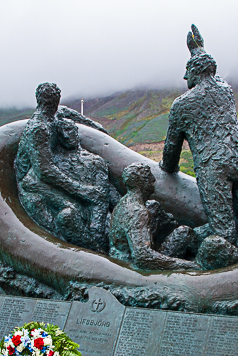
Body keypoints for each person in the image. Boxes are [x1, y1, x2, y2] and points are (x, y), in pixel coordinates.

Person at [159, 25, 238, 252]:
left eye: (187, 71)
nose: (185, 76)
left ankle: (185, 243)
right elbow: (210, 72)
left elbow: (171, 154)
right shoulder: (225, 90)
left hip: (215, 170)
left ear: (195, 72)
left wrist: (167, 168)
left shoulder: (182, 104)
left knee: (223, 232)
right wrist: (198, 50)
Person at [15, 82, 113, 252]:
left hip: (47, 174)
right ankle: (96, 251)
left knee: (94, 197)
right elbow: (44, 171)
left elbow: (69, 112)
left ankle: (101, 246)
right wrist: (81, 190)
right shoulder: (39, 128)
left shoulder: (54, 115)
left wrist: (98, 129)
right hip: (33, 182)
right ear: (55, 100)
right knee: (73, 210)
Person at [110, 163, 198, 271]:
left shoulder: (123, 203)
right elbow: (143, 257)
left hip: (120, 261)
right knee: (185, 232)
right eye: (149, 177)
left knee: (182, 232)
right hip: (132, 268)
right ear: (143, 183)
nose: (153, 180)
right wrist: (190, 266)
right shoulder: (138, 212)